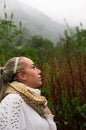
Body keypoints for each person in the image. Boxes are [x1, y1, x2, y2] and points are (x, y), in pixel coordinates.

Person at [0, 56, 57, 130]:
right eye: (33, 67)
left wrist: (48, 115)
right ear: (22, 75)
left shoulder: (35, 102)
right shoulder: (13, 100)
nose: (39, 71)